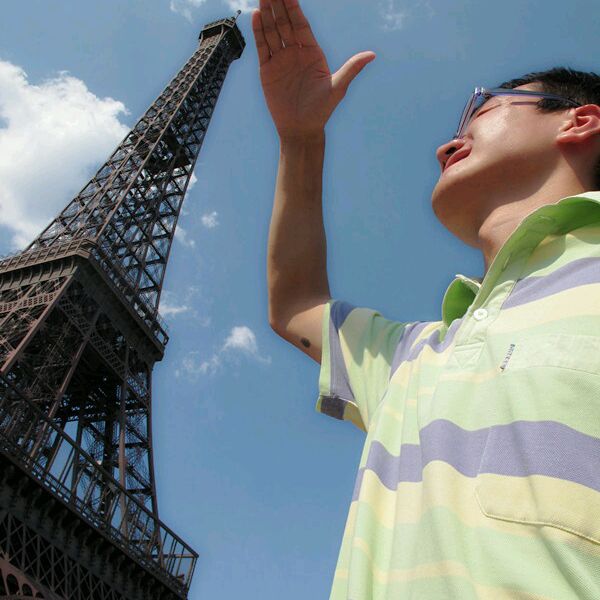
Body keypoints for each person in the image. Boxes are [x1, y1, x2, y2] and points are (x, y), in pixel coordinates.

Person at [252, 0, 600, 598]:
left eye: (481, 107)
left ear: (579, 121)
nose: (445, 146)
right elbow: (296, 306)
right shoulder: (415, 355)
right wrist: (300, 140)